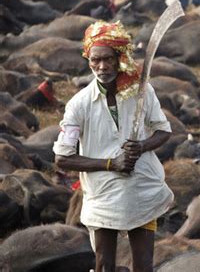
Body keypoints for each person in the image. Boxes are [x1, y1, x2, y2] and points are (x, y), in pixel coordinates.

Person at [53, 21, 174, 272]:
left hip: (141, 188)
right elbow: (62, 159)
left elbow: (163, 131)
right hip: (102, 195)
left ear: (120, 58)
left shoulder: (142, 91)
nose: (102, 66)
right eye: (95, 60)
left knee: (144, 267)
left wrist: (141, 146)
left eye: (108, 59)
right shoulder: (78, 104)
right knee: (104, 266)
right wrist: (111, 164)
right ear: (88, 61)